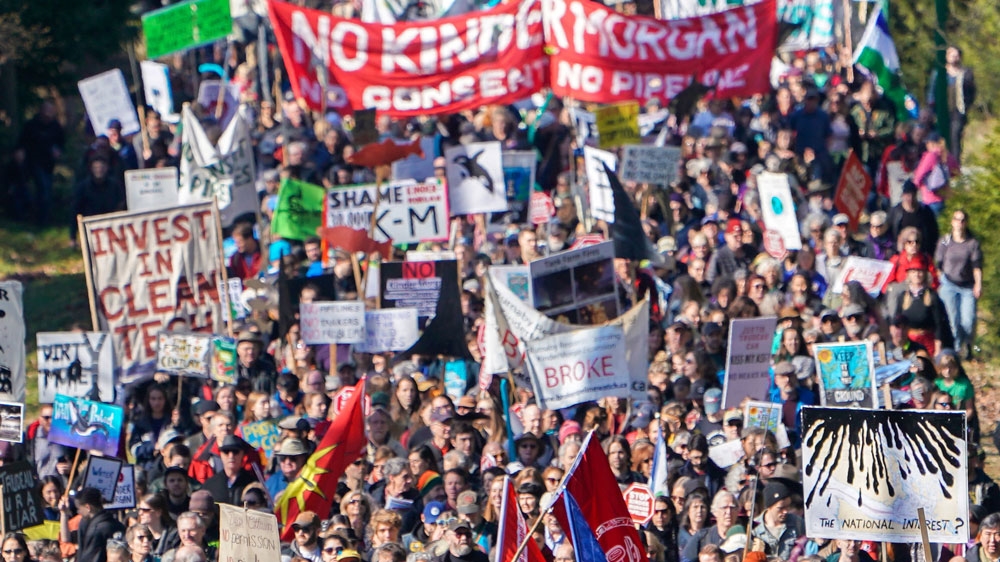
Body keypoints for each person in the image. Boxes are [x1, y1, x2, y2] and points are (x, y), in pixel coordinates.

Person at [935, 209, 982, 359]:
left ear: (966, 223)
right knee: (952, 320)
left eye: (962, 220)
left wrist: (978, 284)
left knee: (968, 320)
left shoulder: (972, 243)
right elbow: (938, 264)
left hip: (967, 285)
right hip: (948, 283)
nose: (959, 223)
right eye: (957, 219)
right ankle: (955, 351)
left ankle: (968, 344)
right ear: (952, 222)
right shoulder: (945, 241)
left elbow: (976, 266)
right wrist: (939, 282)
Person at [927, 46, 976, 162]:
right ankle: (939, 163)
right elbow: (932, 92)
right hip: (942, 110)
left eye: (956, 55)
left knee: (955, 136)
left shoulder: (965, 73)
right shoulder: (939, 73)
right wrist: (932, 109)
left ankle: (954, 165)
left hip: (958, 110)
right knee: (940, 137)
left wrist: (967, 106)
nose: (954, 57)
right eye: (951, 54)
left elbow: (971, 92)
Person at [60, 487, 125, 562]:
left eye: (78, 508)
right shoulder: (115, 524)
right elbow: (66, 540)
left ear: (88, 507)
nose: (78, 512)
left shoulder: (97, 530)